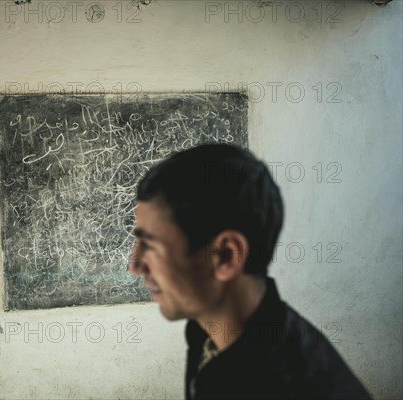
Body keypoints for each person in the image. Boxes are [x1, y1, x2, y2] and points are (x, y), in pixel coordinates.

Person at [127, 144, 372, 399]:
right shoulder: (205, 329)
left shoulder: (287, 385)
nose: (134, 267)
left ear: (226, 256)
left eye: (151, 246)